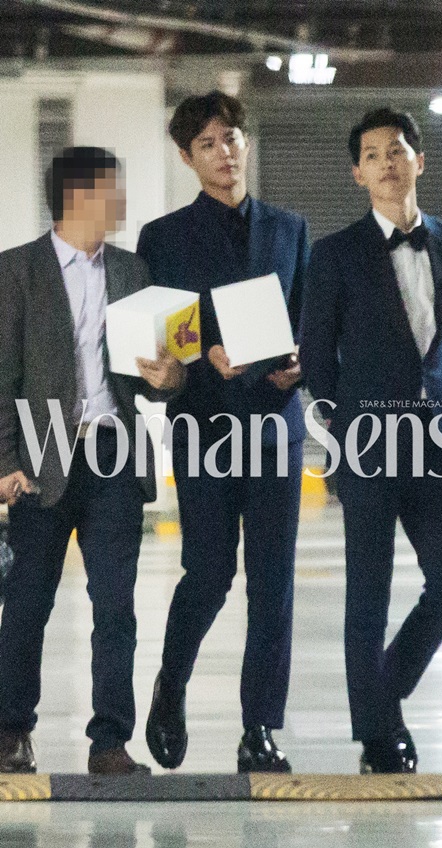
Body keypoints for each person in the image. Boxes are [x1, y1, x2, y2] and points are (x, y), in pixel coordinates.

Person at [137, 91, 309, 773]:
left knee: (273, 583)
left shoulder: (290, 230)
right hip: (204, 426)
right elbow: (163, 338)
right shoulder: (163, 238)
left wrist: (301, 366)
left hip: (275, 426)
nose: (223, 152)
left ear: (246, 142)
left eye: (231, 138)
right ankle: (171, 682)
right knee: (208, 573)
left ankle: (259, 728)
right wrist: (199, 353)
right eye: (207, 144)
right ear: (187, 158)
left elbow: (308, 323)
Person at [0, 146, 185, 775]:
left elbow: (164, 374)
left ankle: (110, 742)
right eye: (113, 189)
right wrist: (4, 460)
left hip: (115, 454)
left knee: (115, 607)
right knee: (28, 602)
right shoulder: (16, 270)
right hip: (40, 457)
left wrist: (170, 377)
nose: (122, 201)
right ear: (78, 197)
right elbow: (2, 376)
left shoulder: (134, 271)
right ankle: (11, 732)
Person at [300, 108, 442, 774]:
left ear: (418, 160)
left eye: (396, 150)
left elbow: (441, 340)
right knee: (367, 593)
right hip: (368, 444)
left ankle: (381, 692)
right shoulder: (334, 254)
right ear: (358, 174)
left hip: (439, 441)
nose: (386, 163)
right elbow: (318, 358)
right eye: (372, 155)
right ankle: (378, 734)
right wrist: (348, 433)